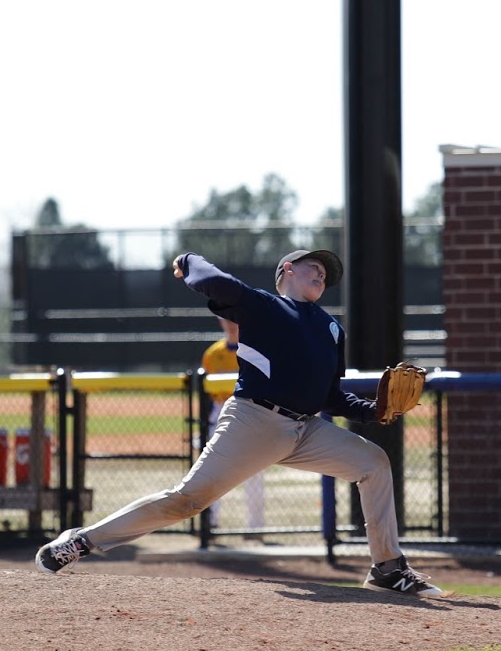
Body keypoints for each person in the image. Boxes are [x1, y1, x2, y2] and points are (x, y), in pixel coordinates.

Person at [36, 248, 450, 598]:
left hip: (306, 430)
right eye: (314, 267)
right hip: (253, 421)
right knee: (187, 501)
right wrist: (187, 259)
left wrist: (373, 411)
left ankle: (387, 568)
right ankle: (82, 540)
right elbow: (215, 282)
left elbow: (331, 396)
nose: (322, 275)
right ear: (287, 270)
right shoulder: (263, 307)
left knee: (373, 463)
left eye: (326, 274)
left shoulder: (330, 328)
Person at [200, 316, 265, 535]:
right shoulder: (213, 354)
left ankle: (256, 526)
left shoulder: (255, 350)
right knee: (213, 469)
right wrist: (204, 424)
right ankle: (211, 521)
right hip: (220, 411)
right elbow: (206, 395)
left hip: (250, 411)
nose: (230, 323)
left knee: (254, 472)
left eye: (234, 319)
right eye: (226, 319)